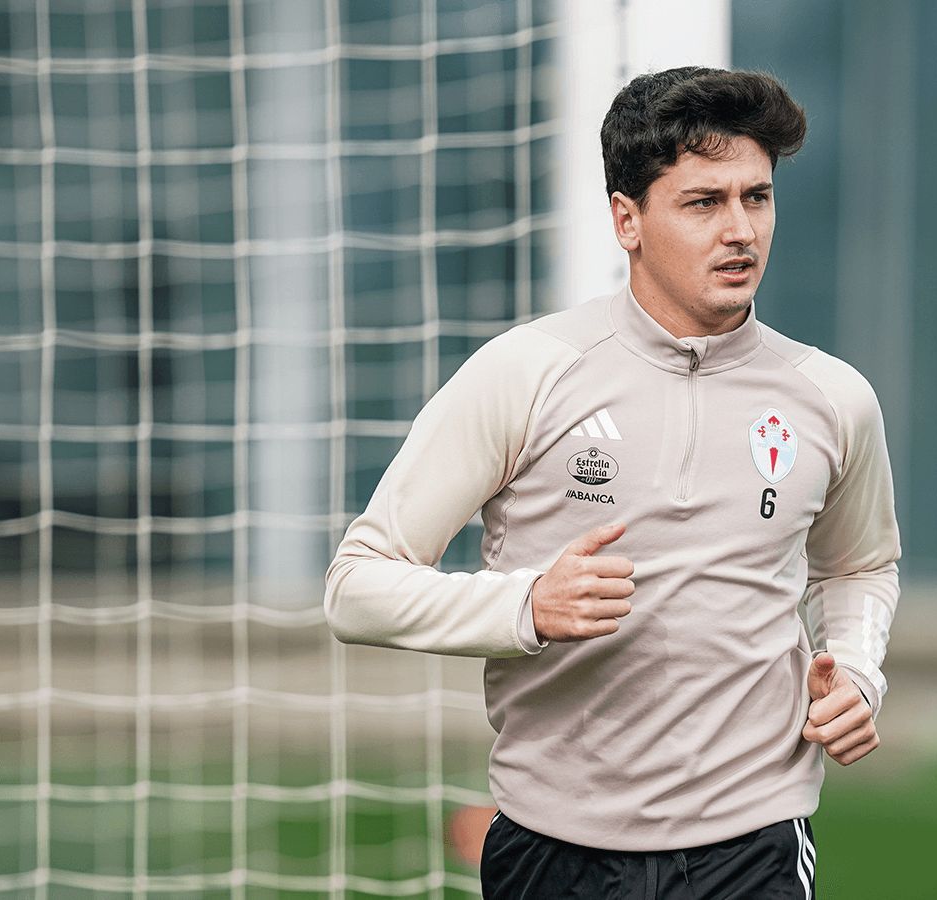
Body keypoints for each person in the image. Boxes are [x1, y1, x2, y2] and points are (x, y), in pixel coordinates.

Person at [325, 66, 900, 899]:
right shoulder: (529, 372)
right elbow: (356, 586)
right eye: (704, 203)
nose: (740, 230)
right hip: (555, 850)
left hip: (756, 844)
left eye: (757, 197)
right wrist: (523, 607)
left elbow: (860, 566)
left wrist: (854, 669)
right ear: (627, 220)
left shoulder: (833, 398)